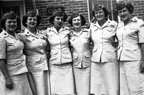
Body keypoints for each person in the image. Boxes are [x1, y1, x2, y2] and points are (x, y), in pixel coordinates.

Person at [0, 11, 32, 95]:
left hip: (22, 71)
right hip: (11, 74)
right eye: (9, 22)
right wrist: (7, 78)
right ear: (4, 23)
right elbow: (1, 60)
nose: (12, 24)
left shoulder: (18, 36)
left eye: (14, 21)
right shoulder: (2, 38)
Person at [116, 1, 144, 95]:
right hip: (122, 59)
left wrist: (143, 61)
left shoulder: (138, 23)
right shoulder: (119, 25)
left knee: (136, 87)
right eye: (120, 12)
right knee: (124, 88)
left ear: (130, 11)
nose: (122, 14)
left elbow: (143, 43)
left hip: (134, 60)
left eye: (124, 11)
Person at [90, 5, 118, 95]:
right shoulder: (92, 27)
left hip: (110, 58)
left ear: (105, 13)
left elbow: (119, 39)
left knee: (111, 83)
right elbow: (91, 42)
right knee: (98, 85)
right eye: (96, 13)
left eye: (100, 12)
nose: (98, 14)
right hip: (96, 59)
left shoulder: (114, 25)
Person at [19, 11, 49, 95]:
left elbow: (47, 47)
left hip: (45, 65)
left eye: (34, 20)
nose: (32, 21)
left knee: (46, 89)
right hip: (33, 67)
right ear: (25, 21)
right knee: (38, 89)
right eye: (30, 19)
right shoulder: (22, 36)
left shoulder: (42, 34)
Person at [45, 11, 75, 95]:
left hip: (66, 64)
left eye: (62, 19)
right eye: (57, 19)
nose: (60, 21)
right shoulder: (48, 32)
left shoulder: (68, 31)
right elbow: (46, 47)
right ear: (53, 20)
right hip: (54, 64)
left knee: (68, 89)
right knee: (56, 89)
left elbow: (72, 44)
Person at [68, 12, 91, 95]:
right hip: (76, 63)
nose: (76, 22)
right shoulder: (69, 34)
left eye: (78, 20)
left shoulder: (88, 32)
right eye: (74, 20)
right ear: (72, 22)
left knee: (89, 85)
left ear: (81, 21)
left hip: (88, 63)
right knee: (78, 87)